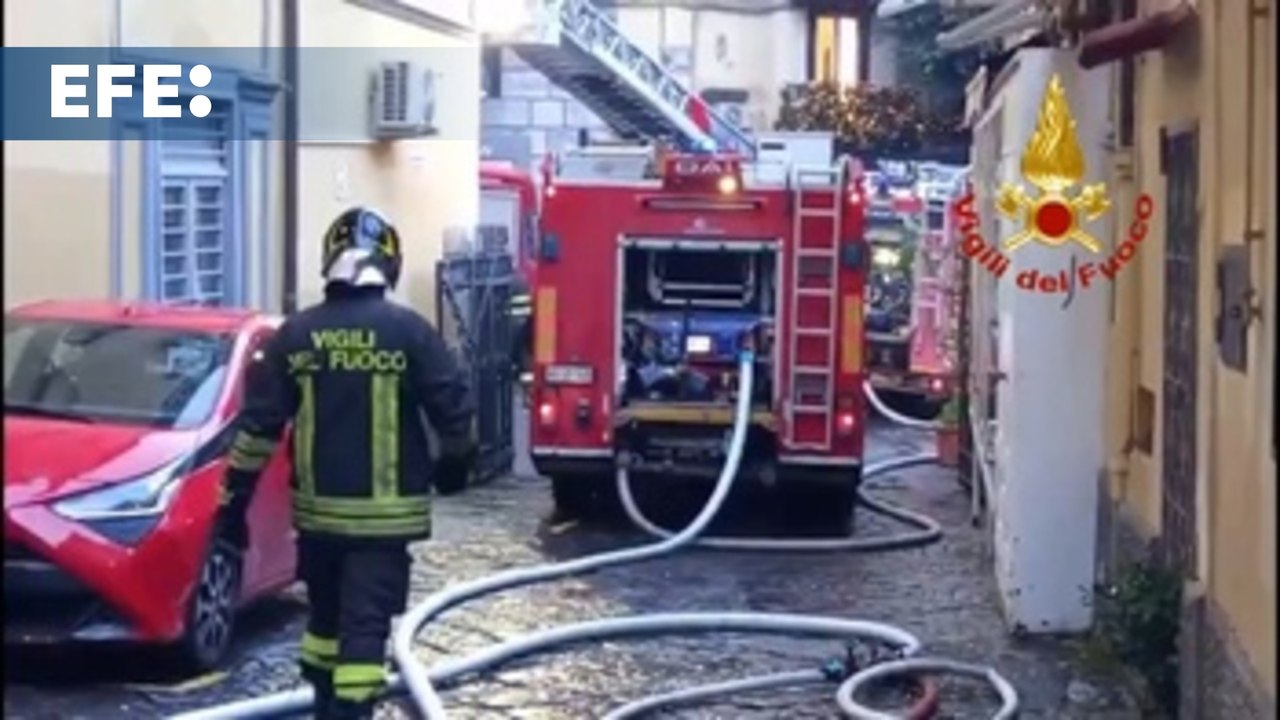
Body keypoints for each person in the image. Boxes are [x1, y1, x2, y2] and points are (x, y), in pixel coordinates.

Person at [218, 207, 476, 720]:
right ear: (390, 264)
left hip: (318, 523)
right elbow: (455, 413)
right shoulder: (410, 333)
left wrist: (233, 506)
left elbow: (257, 432)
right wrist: (453, 468)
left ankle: (323, 706)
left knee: (325, 625)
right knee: (364, 633)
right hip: (383, 526)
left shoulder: (295, 336)